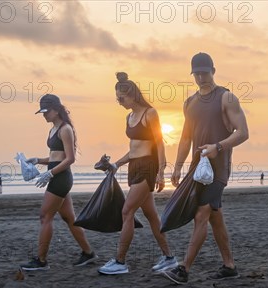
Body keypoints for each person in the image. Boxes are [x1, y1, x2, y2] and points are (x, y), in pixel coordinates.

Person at [161, 52, 249, 285]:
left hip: (217, 170)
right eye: (196, 73)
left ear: (214, 70)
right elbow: (185, 138)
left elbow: (243, 132)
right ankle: (229, 266)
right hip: (196, 169)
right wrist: (178, 167)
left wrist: (218, 147)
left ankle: (184, 269)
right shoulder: (189, 103)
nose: (201, 77)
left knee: (201, 214)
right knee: (214, 217)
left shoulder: (227, 98)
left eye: (205, 72)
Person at [97, 72, 178, 275]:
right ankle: (169, 258)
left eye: (121, 98)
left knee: (127, 212)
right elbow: (134, 149)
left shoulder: (149, 113)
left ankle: (120, 261)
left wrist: (161, 170)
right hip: (134, 166)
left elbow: (159, 142)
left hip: (147, 167)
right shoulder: (129, 116)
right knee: (151, 215)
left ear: (132, 95)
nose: (120, 102)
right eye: (117, 99)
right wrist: (114, 164)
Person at [20, 94, 97, 271]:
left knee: (45, 216)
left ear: (56, 109)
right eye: (42, 112)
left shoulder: (65, 129)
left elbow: (69, 159)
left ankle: (41, 261)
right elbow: (55, 157)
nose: (44, 115)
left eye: (46, 111)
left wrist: (50, 174)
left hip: (61, 178)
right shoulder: (53, 128)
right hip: (56, 175)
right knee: (69, 218)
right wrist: (37, 160)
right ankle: (88, 253)